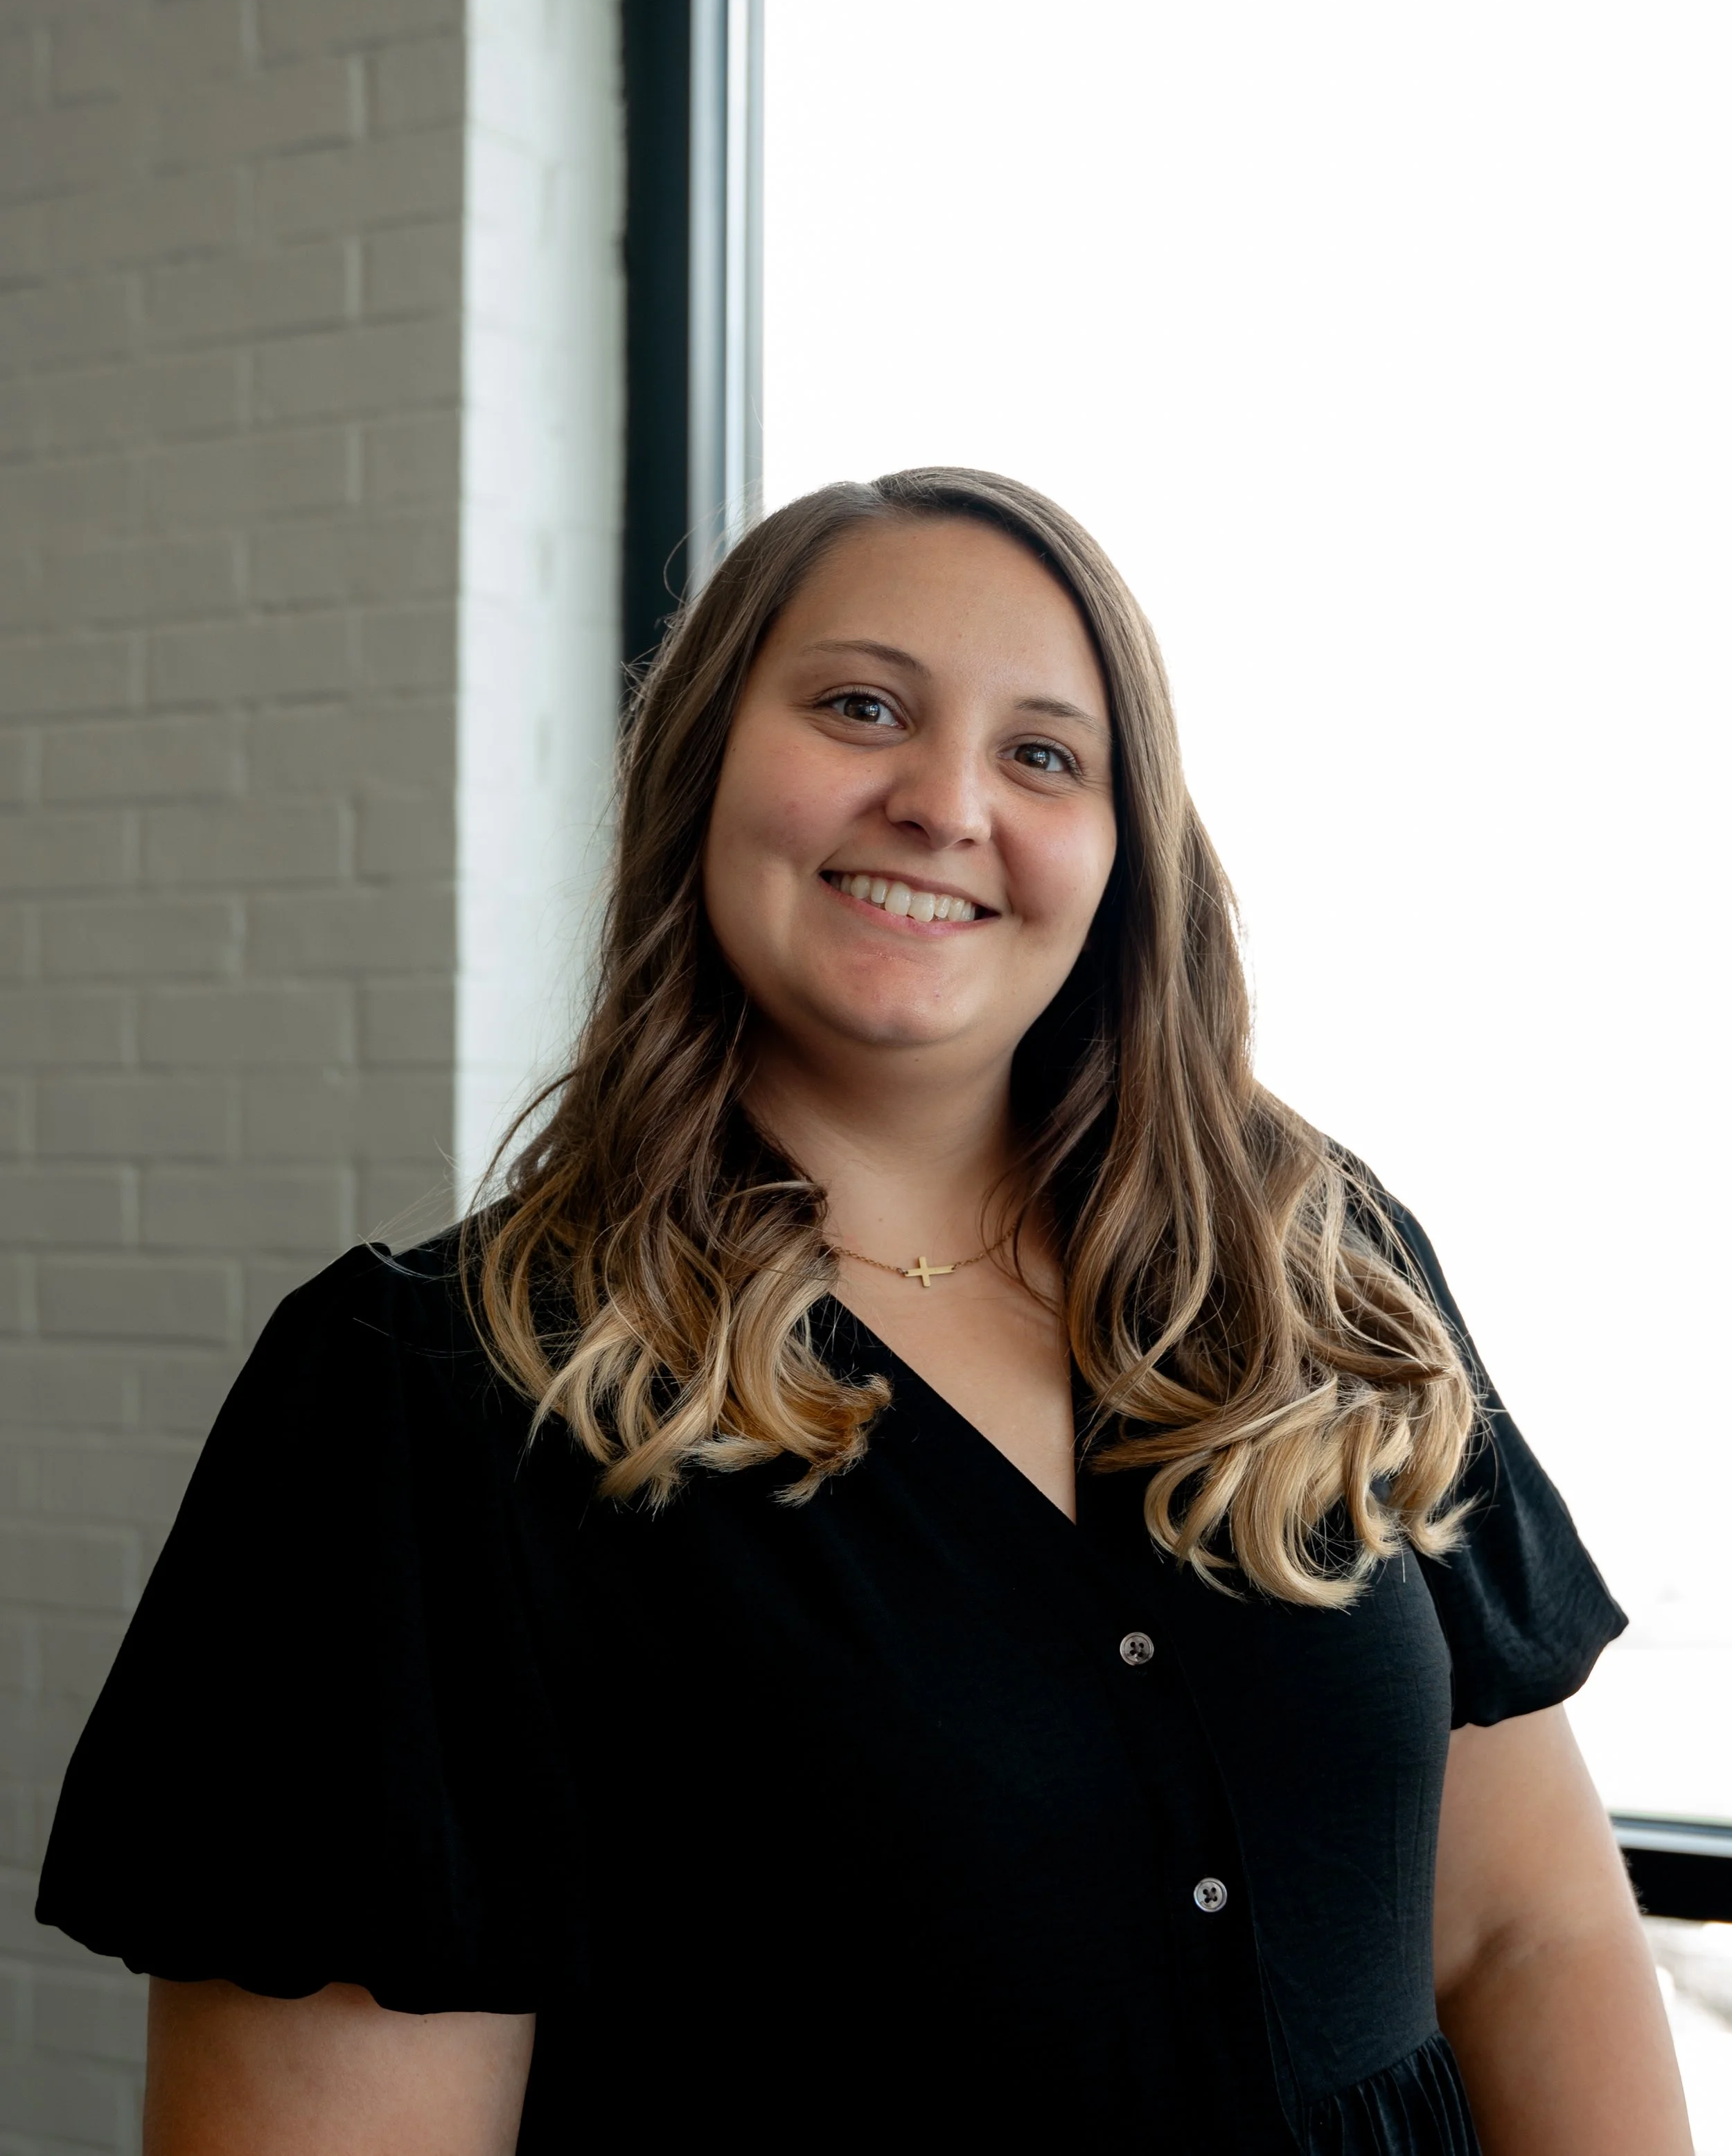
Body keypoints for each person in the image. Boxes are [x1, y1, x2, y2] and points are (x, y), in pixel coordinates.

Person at [39, 470, 1688, 2155]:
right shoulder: (415, 1406)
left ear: (1122, 855)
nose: (942, 799)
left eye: (1043, 752)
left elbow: (1522, 1930)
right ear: (699, 769)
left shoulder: (1315, 1273)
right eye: (858, 706)